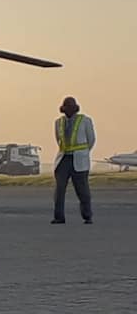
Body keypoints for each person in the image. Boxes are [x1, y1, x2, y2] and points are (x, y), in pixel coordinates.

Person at [52, 96, 95, 225]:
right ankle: (59, 217)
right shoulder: (58, 122)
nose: (68, 110)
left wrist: (83, 153)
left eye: (71, 107)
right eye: (66, 107)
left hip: (79, 159)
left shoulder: (85, 121)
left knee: (82, 190)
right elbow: (58, 139)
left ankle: (87, 216)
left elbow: (91, 140)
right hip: (64, 158)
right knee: (59, 190)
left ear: (75, 108)